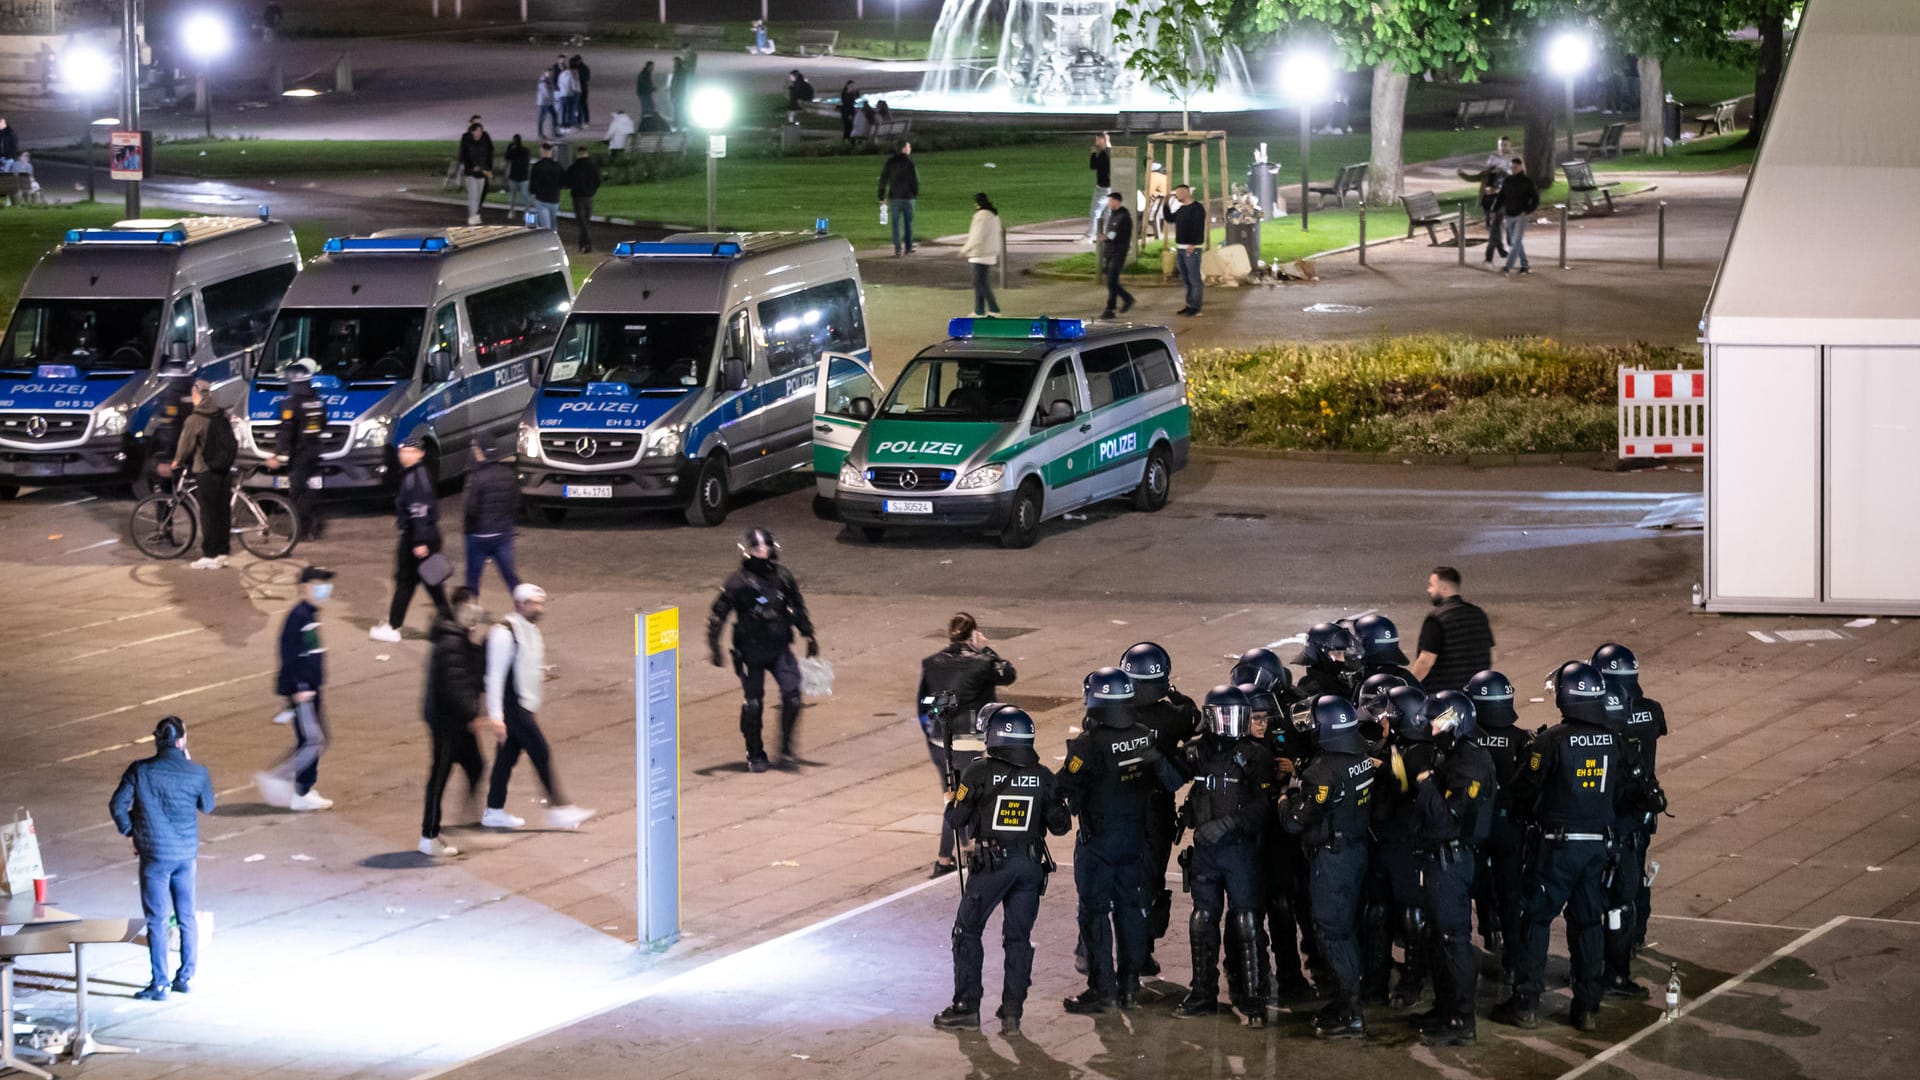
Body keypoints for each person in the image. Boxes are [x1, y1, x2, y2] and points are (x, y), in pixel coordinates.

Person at [1494, 661, 1661, 1031]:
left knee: (1535, 919)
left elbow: (1524, 790)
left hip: (1557, 847)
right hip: (1598, 848)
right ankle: (1586, 1007)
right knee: (1587, 923)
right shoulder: (1613, 740)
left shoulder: (1551, 741)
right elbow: (1625, 791)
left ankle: (1527, 1003)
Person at [933, 704, 1071, 1036]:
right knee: (1018, 939)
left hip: (992, 866)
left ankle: (967, 1007)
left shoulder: (977, 772)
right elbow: (1061, 825)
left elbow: (956, 820)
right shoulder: (1044, 776)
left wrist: (954, 797)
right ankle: (1012, 1013)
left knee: (967, 932)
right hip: (1029, 865)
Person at [1170, 686, 1278, 1025]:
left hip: (1240, 850)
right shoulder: (1196, 752)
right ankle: (1203, 992)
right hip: (1205, 852)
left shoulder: (1255, 755)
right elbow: (1171, 779)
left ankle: (1254, 998)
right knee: (1203, 920)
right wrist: (1159, 754)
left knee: (1247, 922)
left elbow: (1266, 804)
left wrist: (1230, 823)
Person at [1057, 667, 1160, 1014]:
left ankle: (1103, 990)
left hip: (1097, 842)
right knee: (1131, 911)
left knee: (1094, 913)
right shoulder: (1143, 735)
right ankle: (1130, 985)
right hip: (1134, 838)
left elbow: (1063, 786)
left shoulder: (1088, 744)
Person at [1280, 695, 1377, 1039]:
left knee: (1333, 932)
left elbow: (1295, 822)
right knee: (1346, 928)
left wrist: (1285, 797)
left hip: (1332, 860)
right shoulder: (1362, 758)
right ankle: (1348, 1000)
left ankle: (1348, 1011)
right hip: (1355, 852)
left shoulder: (1321, 772)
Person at [1411, 690, 1497, 1046]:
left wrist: (1423, 780)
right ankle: (1446, 1007)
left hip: (1452, 860)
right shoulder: (1456, 755)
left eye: (1435, 720)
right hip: (1439, 859)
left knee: (1453, 939)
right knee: (1437, 937)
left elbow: (1447, 819)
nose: (1429, 727)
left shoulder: (1470, 765)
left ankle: (1462, 1018)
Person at [110, 715, 215, 1001]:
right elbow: (207, 805)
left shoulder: (140, 770)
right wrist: (189, 763)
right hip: (185, 855)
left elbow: (117, 805)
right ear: (181, 741)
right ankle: (186, 976)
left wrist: (130, 830)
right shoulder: (197, 772)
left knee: (156, 919)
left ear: (157, 741)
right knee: (186, 916)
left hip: (154, 855)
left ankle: (159, 983)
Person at [1118, 641, 1200, 978]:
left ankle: (1122, 953)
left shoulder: (1112, 715)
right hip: (1156, 808)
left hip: (1118, 808)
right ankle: (1142, 952)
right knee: (1150, 880)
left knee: (1118, 882)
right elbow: (1194, 720)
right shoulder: (1173, 715)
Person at [483, 583, 595, 829]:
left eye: (540, 603)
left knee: (506, 759)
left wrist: (541, 674)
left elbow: (525, 663)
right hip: (514, 706)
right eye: (533, 603)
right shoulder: (504, 632)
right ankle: (559, 808)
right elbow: (494, 676)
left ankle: (493, 810)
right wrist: (496, 716)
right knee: (540, 751)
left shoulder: (529, 630)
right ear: (519, 604)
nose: (539, 608)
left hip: (525, 703)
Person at [707, 527, 819, 772]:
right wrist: (714, 645)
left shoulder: (783, 577)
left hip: (779, 648)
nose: (763, 552)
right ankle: (755, 751)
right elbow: (718, 615)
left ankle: (786, 747)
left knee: (792, 696)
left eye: (766, 547)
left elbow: (797, 607)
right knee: (753, 703)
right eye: (757, 548)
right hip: (750, 651)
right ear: (747, 552)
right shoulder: (737, 582)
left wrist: (809, 634)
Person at [1593, 642, 1667, 998]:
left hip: (1606, 817)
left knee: (1603, 892)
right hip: (1641, 815)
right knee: (1635, 879)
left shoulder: (1604, 720)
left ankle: (1602, 962)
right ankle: (1634, 939)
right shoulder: (1652, 711)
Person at [916, 613, 1016, 877]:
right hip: (970, 740)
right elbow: (1008, 674)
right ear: (972, 634)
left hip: (940, 740)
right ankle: (954, 857)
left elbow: (925, 704)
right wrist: (986, 649)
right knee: (967, 799)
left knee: (953, 796)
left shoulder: (932, 663)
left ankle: (952, 856)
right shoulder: (983, 664)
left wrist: (934, 727)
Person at [1361, 685, 1435, 1010]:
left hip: (1408, 845)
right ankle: (1377, 982)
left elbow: (1410, 795)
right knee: (1377, 912)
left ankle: (1412, 982)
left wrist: (1382, 774)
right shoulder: (1396, 746)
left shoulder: (1420, 754)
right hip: (1385, 843)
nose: (1382, 721)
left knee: (1411, 914)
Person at [421, 588, 499, 857]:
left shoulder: (460, 638)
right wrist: (473, 715)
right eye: (469, 607)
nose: (474, 612)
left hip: (459, 720)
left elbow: (473, 673)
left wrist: (487, 643)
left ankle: (467, 822)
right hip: (446, 721)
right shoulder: (450, 641)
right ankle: (428, 835)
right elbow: (454, 684)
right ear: (457, 609)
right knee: (439, 775)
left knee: (476, 765)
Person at [1463, 670, 1528, 982]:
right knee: (1511, 893)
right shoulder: (1522, 740)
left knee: (1466, 890)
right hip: (1509, 827)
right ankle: (1515, 961)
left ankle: (1465, 958)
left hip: (1473, 827)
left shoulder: (1467, 740)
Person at [256, 566, 336, 812]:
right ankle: (284, 779)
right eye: (318, 583)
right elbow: (289, 655)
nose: (324, 589)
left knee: (314, 739)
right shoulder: (299, 616)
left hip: (311, 688)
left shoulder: (310, 614)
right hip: (304, 691)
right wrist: (297, 688)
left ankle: (303, 790)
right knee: (314, 740)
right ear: (305, 587)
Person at [370, 435, 449, 642]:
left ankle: (394, 627)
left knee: (408, 582)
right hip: (422, 537)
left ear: (419, 454)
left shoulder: (416, 477)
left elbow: (420, 510)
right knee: (429, 584)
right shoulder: (417, 474)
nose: (402, 454)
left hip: (417, 538)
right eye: (402, 450)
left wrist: (420, 542)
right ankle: (449, 625)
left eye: (407, 451)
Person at [163, 377, 238, 570]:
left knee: (208, 514)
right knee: (223, 513)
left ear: (196, 395)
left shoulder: (195, 419)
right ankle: (222, 552)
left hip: (206, 471)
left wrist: (176, 462)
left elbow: (185, 446)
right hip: (224, 470)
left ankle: (209, 555)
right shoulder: (221, 415)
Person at [265, 361, 326, 539]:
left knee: (297, 493)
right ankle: (313, 529)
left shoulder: (291, 403)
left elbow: (286, 432)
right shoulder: (317, 401)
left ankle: (301, 531)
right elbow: (323, 424)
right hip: (315, 450)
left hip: (300, 453)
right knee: (310, 491)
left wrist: (278, 455)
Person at [1414, 566, 1497, 692]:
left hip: (1444, 698)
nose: (1428, 590)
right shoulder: (1478, 614)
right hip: (1475, 694)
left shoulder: (1436, 619)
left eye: (1431, 585)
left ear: (1443, 588)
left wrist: (1410, 686)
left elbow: (1426, 662)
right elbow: (1493, 654)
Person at [463, 442, 521, 597]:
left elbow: (471, 508)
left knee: (473, 577)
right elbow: (515, 503)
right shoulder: (509, 474)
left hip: (480, 535)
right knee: (509, 575)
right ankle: (525, 605)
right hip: (502, 534)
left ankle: (470, 613)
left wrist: (468, 530)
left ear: (480, 452)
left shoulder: (478, 476)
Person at [1163, 184, 1207, 317]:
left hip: (1191, 249)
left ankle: (1196, 307)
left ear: (1186, 192)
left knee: (1194, 279)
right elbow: (1170, 218)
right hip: (1181, 248)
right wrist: (1165, 204)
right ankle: (1189, 304)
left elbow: (1198, 227)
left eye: (1178, 193)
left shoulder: (1197, 209)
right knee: (1186, 279)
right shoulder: (1182, 209)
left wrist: (1193, 244)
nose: (1176, 196)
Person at [960, 192, 1003, 317]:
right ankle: (979, 309)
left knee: (979, 282)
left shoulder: (981, 216)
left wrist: (964, 249)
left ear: (977, 204)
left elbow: (977, 236)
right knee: (980, 282)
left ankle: (994, 309)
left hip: (980, 253)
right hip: (989, 252)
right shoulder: (994, 215)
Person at [1498, 157, 1539, 275]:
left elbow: (1536, 199)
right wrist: (1496, 209)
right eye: (1511, 167)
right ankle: (1525, 265)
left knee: (1516, 241)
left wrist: (1527, 210)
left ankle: (1507, 267)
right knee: (1513, 242)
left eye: (1515, 167)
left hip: (1521, 215)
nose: (1513, 169)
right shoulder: (1508, 181)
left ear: (1520, 167)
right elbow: (1501, 196)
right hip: (1509, 214)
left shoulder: (1527, 181)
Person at [1097, 191, 1134, 319]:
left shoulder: (1122, 217)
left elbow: (1113, 235)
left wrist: (1104, 237)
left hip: (1118, 252)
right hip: (1111, 252)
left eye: (1111, 201)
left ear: (1117, 202)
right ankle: (1125, 300)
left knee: (1111, 282)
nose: (1109, 204)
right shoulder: (1114, 214)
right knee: (1112, 282)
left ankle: (1111, 308)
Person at [878, 139, 918, 257]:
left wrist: (881, 195)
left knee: (895, 224)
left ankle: (897, 248)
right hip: (907, 197)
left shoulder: (890, 162)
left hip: (894, 196)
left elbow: (883, 179)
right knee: (908, 223)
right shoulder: (910, 162)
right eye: (909, 147)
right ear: (904, 149)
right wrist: (914, 193)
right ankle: (908, 247)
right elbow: (914, 180)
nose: (910, 149)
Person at [1480, 136, 1512, 263]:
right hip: (1490, 196)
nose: (1503, 147)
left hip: (1504, 196)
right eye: (1501, 145)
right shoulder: (1492, 158)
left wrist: (1504, 171)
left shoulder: (1514, 159)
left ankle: (1489, 256)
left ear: (1510, 145)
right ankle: (1501, 250)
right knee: (1495, 225)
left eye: (1505, 145)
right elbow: (1485, 176)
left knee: (1496, 224)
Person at [565, 148, 601, 253]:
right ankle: (585, 244)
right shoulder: (593, 166)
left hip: (577, 197)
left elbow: (567, 182)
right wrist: (592, 191)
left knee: (582, 222)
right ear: (587, 153)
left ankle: (585, 244)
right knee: (586, 221)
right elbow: (597, 181)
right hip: (588, 197)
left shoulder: (573, 167)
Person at [458, 119, 494, 225]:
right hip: (471, 173)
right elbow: (464, 155)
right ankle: (472, 216)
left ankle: (476, 215)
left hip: (482, 173)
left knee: (479, 196)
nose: (479, 133)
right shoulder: (467, 139)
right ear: (472, 131)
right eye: (477, 131)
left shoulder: (485, 140)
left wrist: (488, 169)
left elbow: (490, 154)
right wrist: (471, 167)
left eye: (480, 131)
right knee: (473, 195)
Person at [529, 142, 564, 232]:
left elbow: (532, 184)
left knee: (545, 225)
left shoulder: (537, 166)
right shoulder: (558, 166)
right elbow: (563, 182)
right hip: (554, 199)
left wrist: (532, 193)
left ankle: (544, 242)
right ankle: (554, 241)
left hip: (541, 199)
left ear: (542, 151)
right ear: (551, 152)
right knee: (553, 224)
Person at [1086, 132, 1112, 243]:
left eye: (1097, 140)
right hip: (1112, 186)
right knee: (1107, 212)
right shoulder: (1111, 152)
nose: (1096, 142)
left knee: (1095, 211)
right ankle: (1107, 235)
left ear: (1102, 140)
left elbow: (1093, 166)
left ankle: (1090, 236)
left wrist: (1093, 153)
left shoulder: (1103, 154)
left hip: (1103, 186)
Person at [503, 134, 532, 219]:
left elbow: (506, 157)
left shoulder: (513, 151)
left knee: (513, 196)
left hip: (515, 176)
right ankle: (527, 214)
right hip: (523, 177)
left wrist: (509, 148)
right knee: (525, 196)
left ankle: (512, 212)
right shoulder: (526, 150)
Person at [556, 59, 581, 133]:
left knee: (564, 111)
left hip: (562, 94)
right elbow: (573, 85)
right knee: (569, 111)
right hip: (569, 94)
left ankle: (563, 127)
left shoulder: (561, 74)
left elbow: (559, 84)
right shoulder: (570, 74)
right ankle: (568, 126)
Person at [570, 54, 592, 127]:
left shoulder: (584, 68)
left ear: (580, 60)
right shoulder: (574, 67)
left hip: (583, 89)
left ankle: (586, 121)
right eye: (575, 60)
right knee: (578, 106)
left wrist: (578, 78)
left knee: (583, 105)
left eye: (577, 60)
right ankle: (579, 121)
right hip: (577, 89)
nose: (576, 62)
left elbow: (587, 78)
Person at [536, 72, 559, 140]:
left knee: (554, 115)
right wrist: (555, 99)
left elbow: (550, 91)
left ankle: (554, 132)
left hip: (548, 102)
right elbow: (547, 93)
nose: (550, 74)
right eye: (548, 73)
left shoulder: (547, 81)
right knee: (541, 118)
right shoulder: (543, 82)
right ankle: (540, 134)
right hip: (543, 103)